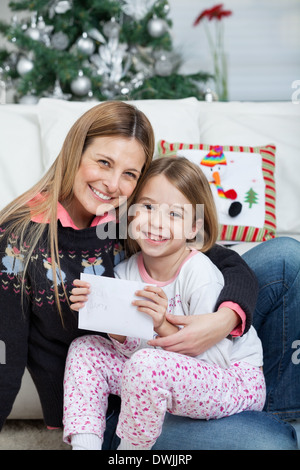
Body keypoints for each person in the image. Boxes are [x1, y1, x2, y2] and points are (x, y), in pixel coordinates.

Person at [0, 100, 298, 449]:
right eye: (103, 162)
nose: (112, 184)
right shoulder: (19, 238)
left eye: (130, 174)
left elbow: (221, 260)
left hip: (193, 369)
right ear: (74, 153)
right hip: (113, 404)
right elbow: (5, 349)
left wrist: (223, 320)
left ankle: (267, 410)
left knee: (286, 257)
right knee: (271, 444)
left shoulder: (130, 213)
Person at [64, 157, 267, 450]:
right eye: (147, 207)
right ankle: (86, 446)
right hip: (157, 378)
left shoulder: (200, 274)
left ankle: (130, 452)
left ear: (192, 228)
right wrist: (111, 322)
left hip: (231, 380)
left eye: (174, 214)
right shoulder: (125, 272)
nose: (156, 222)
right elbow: (133, 350)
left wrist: (162, 325)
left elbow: (215, 360)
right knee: (85, 350)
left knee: (147, 364)